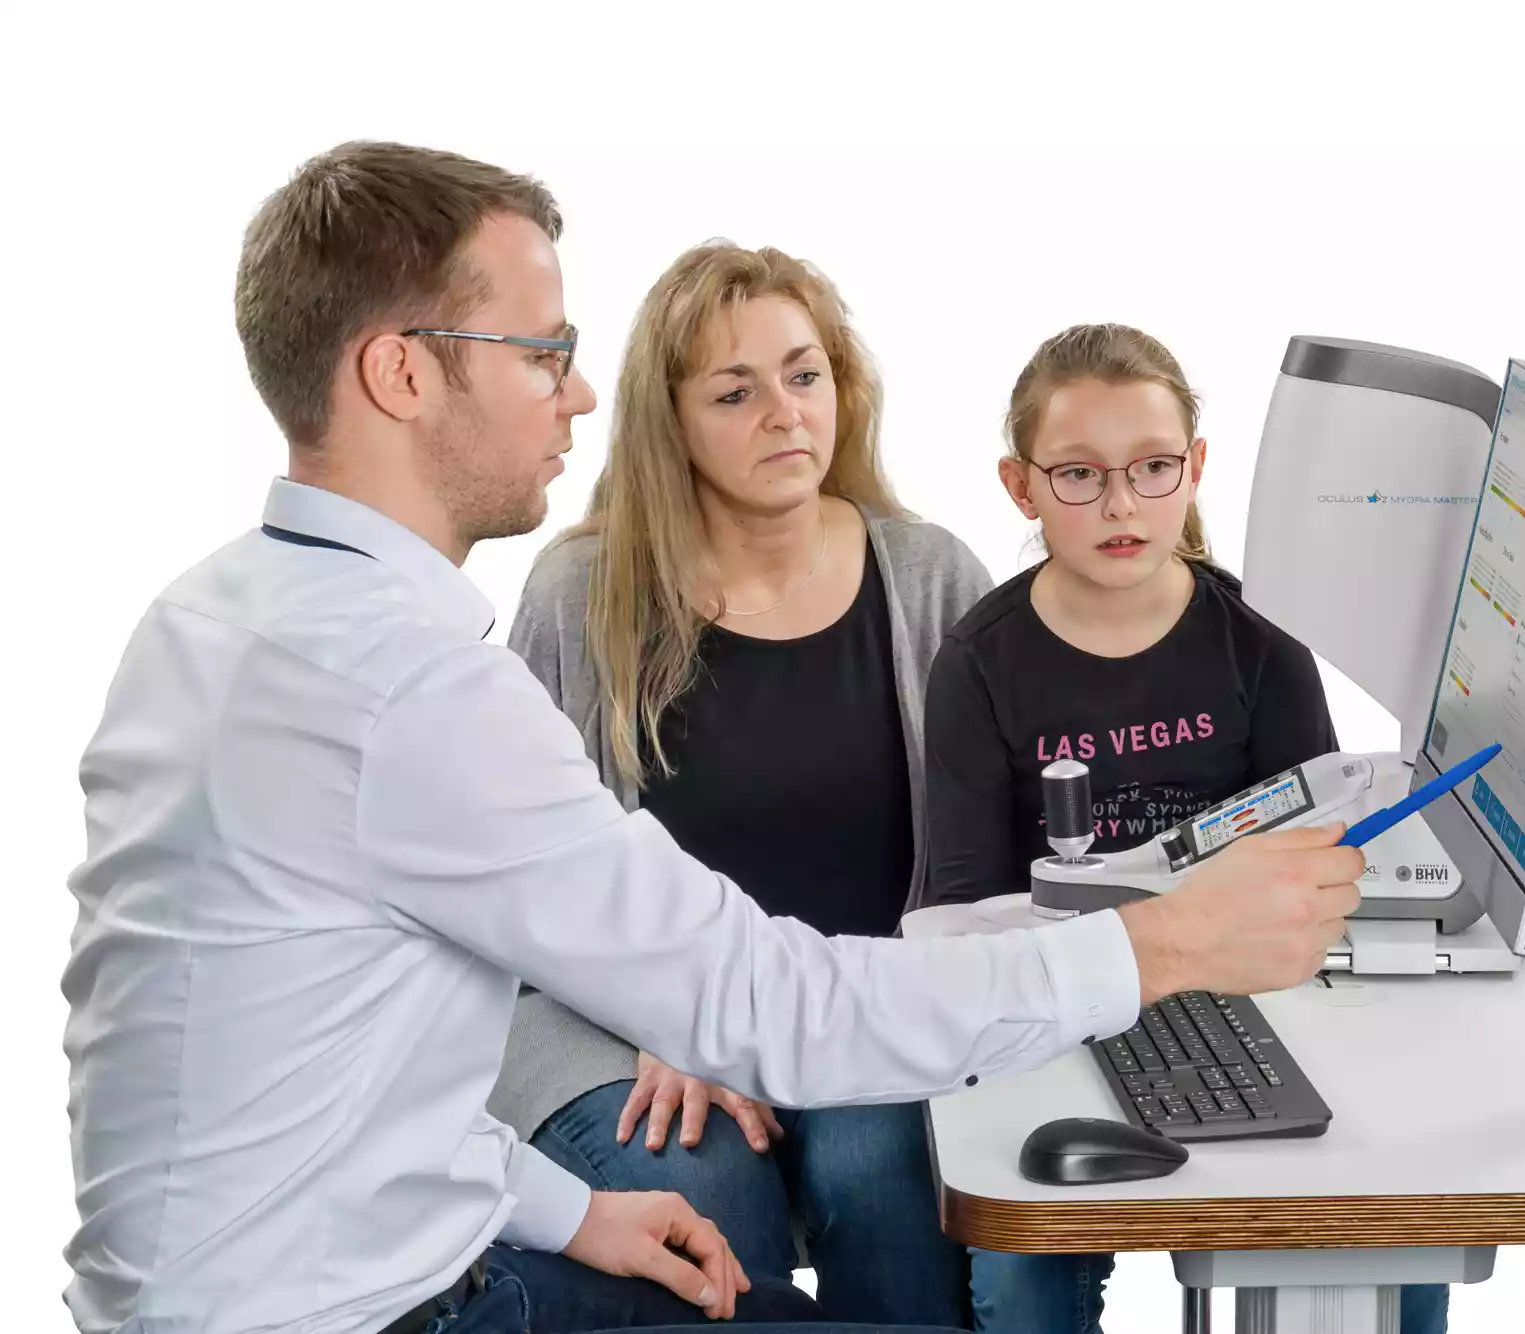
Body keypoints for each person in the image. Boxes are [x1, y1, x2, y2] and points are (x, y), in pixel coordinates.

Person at [58, 140, 1369, 1334]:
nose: (577, 394)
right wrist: (1168, 941)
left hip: (325, 1280)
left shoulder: (211, 617)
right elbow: (753, 1002)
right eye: (539, 352)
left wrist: (569, 1210)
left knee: (821, 1203)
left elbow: (332, 1081)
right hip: (381, 1312)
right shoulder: (413, 686)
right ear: (401, 372)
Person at [487, 241, 1000, 1328]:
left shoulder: (931, 576)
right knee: (698, 1178)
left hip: (866, 1006)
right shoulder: (581, 592)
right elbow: (520, 875)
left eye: (803, 375)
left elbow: (992, 859)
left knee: (884, 1167)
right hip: (623, 1017)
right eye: (734, 392)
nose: (783, 413)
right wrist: (658, 1016)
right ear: (669, 422)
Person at [920, 322, 1451, 1332]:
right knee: (1023, 1273)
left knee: (1387, 1221)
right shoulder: (978, 664)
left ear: (1195, 467)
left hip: (1253, 1003)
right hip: (1056, 1014)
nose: (1120, 504)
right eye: (1078, 474)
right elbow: (966, 911)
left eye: (1153, 467)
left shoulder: (1261, 641)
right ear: (1020, 487)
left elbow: (1319, 860)